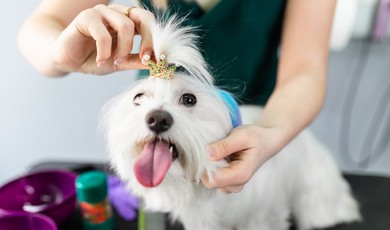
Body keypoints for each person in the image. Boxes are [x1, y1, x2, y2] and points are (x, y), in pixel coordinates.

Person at [18, 0, 336, 193]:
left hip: (266, 123)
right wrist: (59, 51)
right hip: (160, 132)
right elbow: (41, 26)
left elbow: (304, 70)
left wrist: (270, 134)